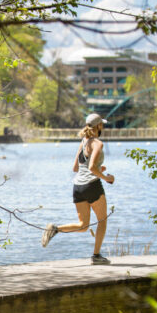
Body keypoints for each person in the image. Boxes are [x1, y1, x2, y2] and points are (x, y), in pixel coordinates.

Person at [41, 113, 115, 265]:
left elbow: (76, 167)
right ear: (98, 126)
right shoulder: (97, 143)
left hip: (78, 187)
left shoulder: (83, 142)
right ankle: (96, 256)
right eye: (102, 124)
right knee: (102, 221)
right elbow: (92, 168)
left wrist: (99, 168)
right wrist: (107, 178)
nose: (103, 127)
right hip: (92, 185)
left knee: (83, 226)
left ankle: (55, 229)